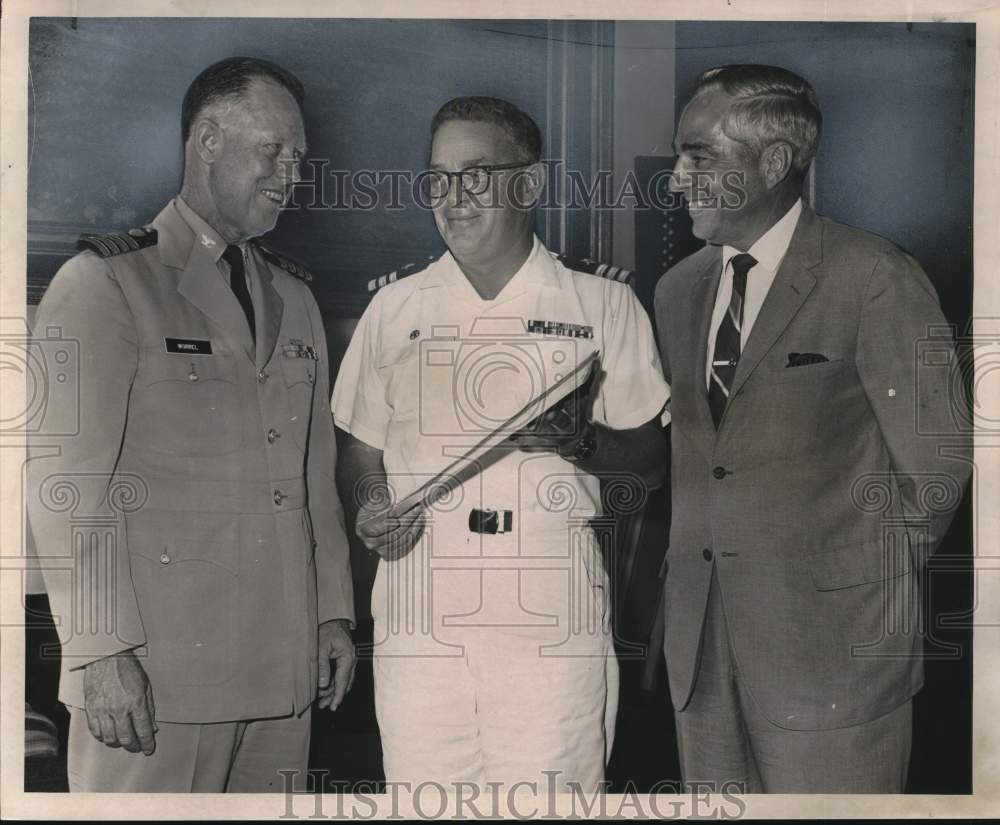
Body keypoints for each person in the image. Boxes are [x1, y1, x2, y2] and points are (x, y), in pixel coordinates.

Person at [26, 56, 355, 793]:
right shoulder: (109, 283)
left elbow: (313, 478)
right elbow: (66, 488)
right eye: (275, 150)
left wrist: (332, 612)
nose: (292, 173)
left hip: (281, 666)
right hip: (156, 679)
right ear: (208, 141)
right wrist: (100, 650)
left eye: (299, 157)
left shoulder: (293, 297)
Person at [332, 96, 669, 791]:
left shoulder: (602, 305)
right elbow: (361, 452)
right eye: (438, 179)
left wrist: (581, 440)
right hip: (421, 603)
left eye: (475, 176)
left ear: (531, 183)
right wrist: (372, 508)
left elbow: (649, 462)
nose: (452, 200)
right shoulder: (394, 309)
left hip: (547, 605)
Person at [653, 64, 971, 793]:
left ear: (772, 162)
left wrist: (851, 587)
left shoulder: (872, 277)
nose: (677, 178)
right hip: (701, 659)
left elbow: (940, 470)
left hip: (835, 662)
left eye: (699, 154)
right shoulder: (678, 290)